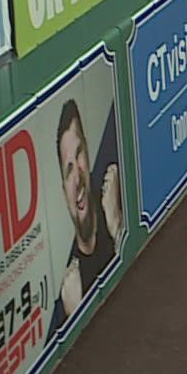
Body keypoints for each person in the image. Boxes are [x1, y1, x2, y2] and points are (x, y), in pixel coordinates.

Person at [50, 98, 121, 334]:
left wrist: (119, 229)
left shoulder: (113, 204)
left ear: (89, 155)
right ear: (63, 190)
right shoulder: (68, 286)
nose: (78, 177)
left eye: (79, 155)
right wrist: (75, 314)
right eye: (68, 171)